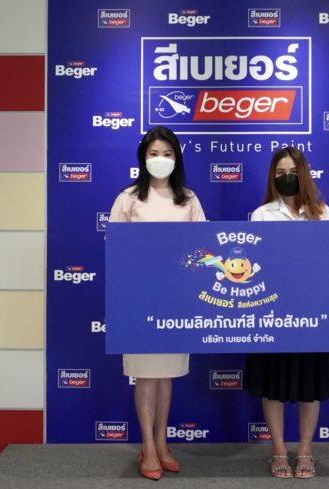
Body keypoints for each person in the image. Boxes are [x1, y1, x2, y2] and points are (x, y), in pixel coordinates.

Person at [108, 126, 206, 480]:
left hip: (176, 299)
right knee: (146, 375)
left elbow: (203, 249)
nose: (160, 160)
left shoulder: (188, 199)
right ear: (143, 158)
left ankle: (162, 443)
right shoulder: (128, 198)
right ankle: (147, 446)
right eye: (153, 154)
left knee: (166, 376)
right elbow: (116, 249)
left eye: (167, 153)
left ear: (176, 158)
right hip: (139, 299)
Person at [243, 147, 329, 479]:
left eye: (293, 172)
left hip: (312, 311)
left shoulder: (323, 213)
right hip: (273, 311)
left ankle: (306, 450)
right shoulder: (261, 215)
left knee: (311, 383)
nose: (287, 178)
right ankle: (279, 450)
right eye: (280, 173)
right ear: (273, 177)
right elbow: (256, 265)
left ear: (304, 174)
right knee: (273, 383)